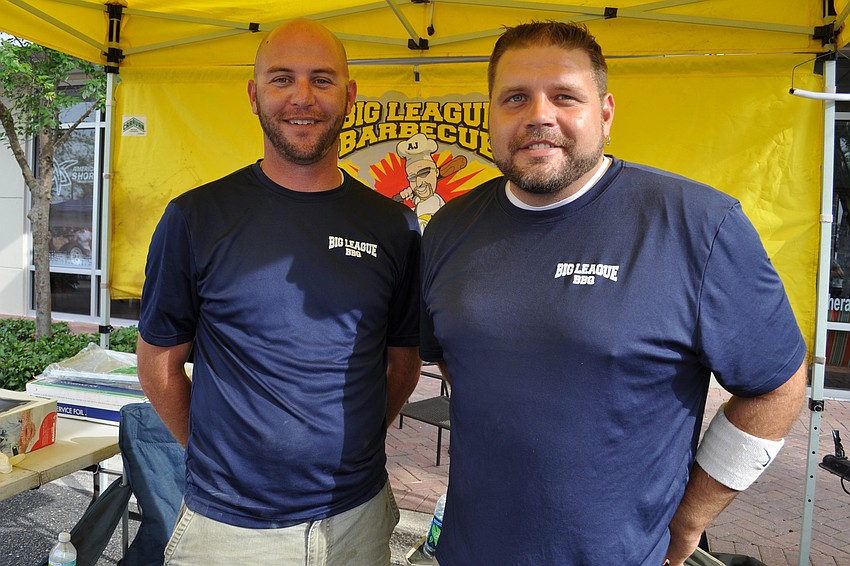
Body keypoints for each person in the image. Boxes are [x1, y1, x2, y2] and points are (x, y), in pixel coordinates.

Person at [420, 21, 807, 566]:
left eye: (564, 97)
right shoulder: (449, 228)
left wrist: (691, 515)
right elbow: (462, 364)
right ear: (491, 114)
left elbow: (777, 389)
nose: (538, 115)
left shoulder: (698, 225)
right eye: (515, 98)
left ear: (604, 113)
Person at [136, 19, 421, 565]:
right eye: (281, 79)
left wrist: (354, 443)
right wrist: (215, 458)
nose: (302, 98)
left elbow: (401, 366)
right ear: (253, 94)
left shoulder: (395, 227)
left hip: (356, 519)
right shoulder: (195, 218)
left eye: (322, 79)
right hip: (229, 529)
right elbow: (159, 368)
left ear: (349, 95)